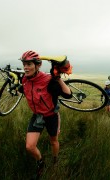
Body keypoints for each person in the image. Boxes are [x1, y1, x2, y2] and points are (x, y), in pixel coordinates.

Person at [19, 50, 72, 178]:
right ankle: (40, 162)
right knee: (30, 147)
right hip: (37, 116)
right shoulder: (24, 79)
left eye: (29, 64)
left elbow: (68, 94)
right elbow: (23, 89)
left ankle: (55, 160)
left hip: (51, 116)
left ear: (38, 65)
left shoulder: (48, 80)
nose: (26, 67)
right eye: (24, 64)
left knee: (53, 141)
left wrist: (58, 78)